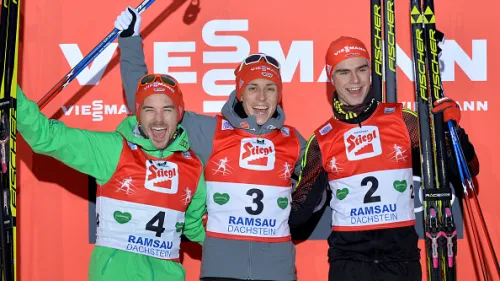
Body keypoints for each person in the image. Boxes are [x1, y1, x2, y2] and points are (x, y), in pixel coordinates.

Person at [114, 7, 308, 281]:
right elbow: (149, 103)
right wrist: (130, 39)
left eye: (270, 88)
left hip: (277, 272)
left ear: (279, 94)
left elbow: (327, 174)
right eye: (253, 88)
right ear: (240, 93)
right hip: (221, 271)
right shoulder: (212, 131)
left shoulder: (294, 140)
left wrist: (299, 208)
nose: (262, 97)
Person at [289, 36, 480, 281]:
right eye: (344, 72)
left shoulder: (404, 120)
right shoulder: (322, 140)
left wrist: (451, 132)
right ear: (331, 77)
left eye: (361, 69)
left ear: (371, 73)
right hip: (349, 266)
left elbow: (467, 170)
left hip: (400, 263)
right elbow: (298, 214)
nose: (354, 80)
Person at [18, 74, 207, 281]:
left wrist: (241, 247)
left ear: (179, 113)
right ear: (138, 114)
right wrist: (12, 95)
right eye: (149, 109)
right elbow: (46, 137)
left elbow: (194, 225)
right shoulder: (115, 150)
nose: (158, 119)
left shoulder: (193, 166)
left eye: (167, 109)